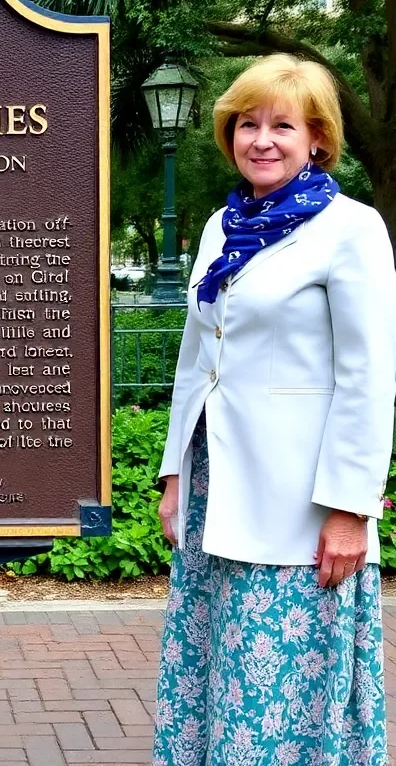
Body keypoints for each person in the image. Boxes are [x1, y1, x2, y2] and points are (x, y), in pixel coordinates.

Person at [153, 54, 396, 764]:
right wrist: (174, 477)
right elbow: (197, 359)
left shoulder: (350, 230)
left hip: (301, 507)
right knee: (215, 678)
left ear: (317, 138)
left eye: (281, 126)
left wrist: (351, 508)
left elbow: (368, 375)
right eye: (247, 124)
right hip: (215, 493)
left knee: (286, 688)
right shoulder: (221, 227)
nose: (261, 139)